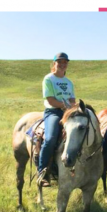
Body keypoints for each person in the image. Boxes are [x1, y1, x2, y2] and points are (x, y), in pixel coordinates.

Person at [38, 52, 76, 187]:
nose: (62, 64)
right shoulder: (48, 79)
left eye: (65, 62)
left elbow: (72, 99)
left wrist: (72, 107)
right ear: (54, 64)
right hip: (53, 112)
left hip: (68, 112)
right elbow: (51, 100)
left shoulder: (69, 82)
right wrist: (65, 105)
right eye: (59, 62)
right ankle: (42, 172)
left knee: (80, 133)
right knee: (50, 138)